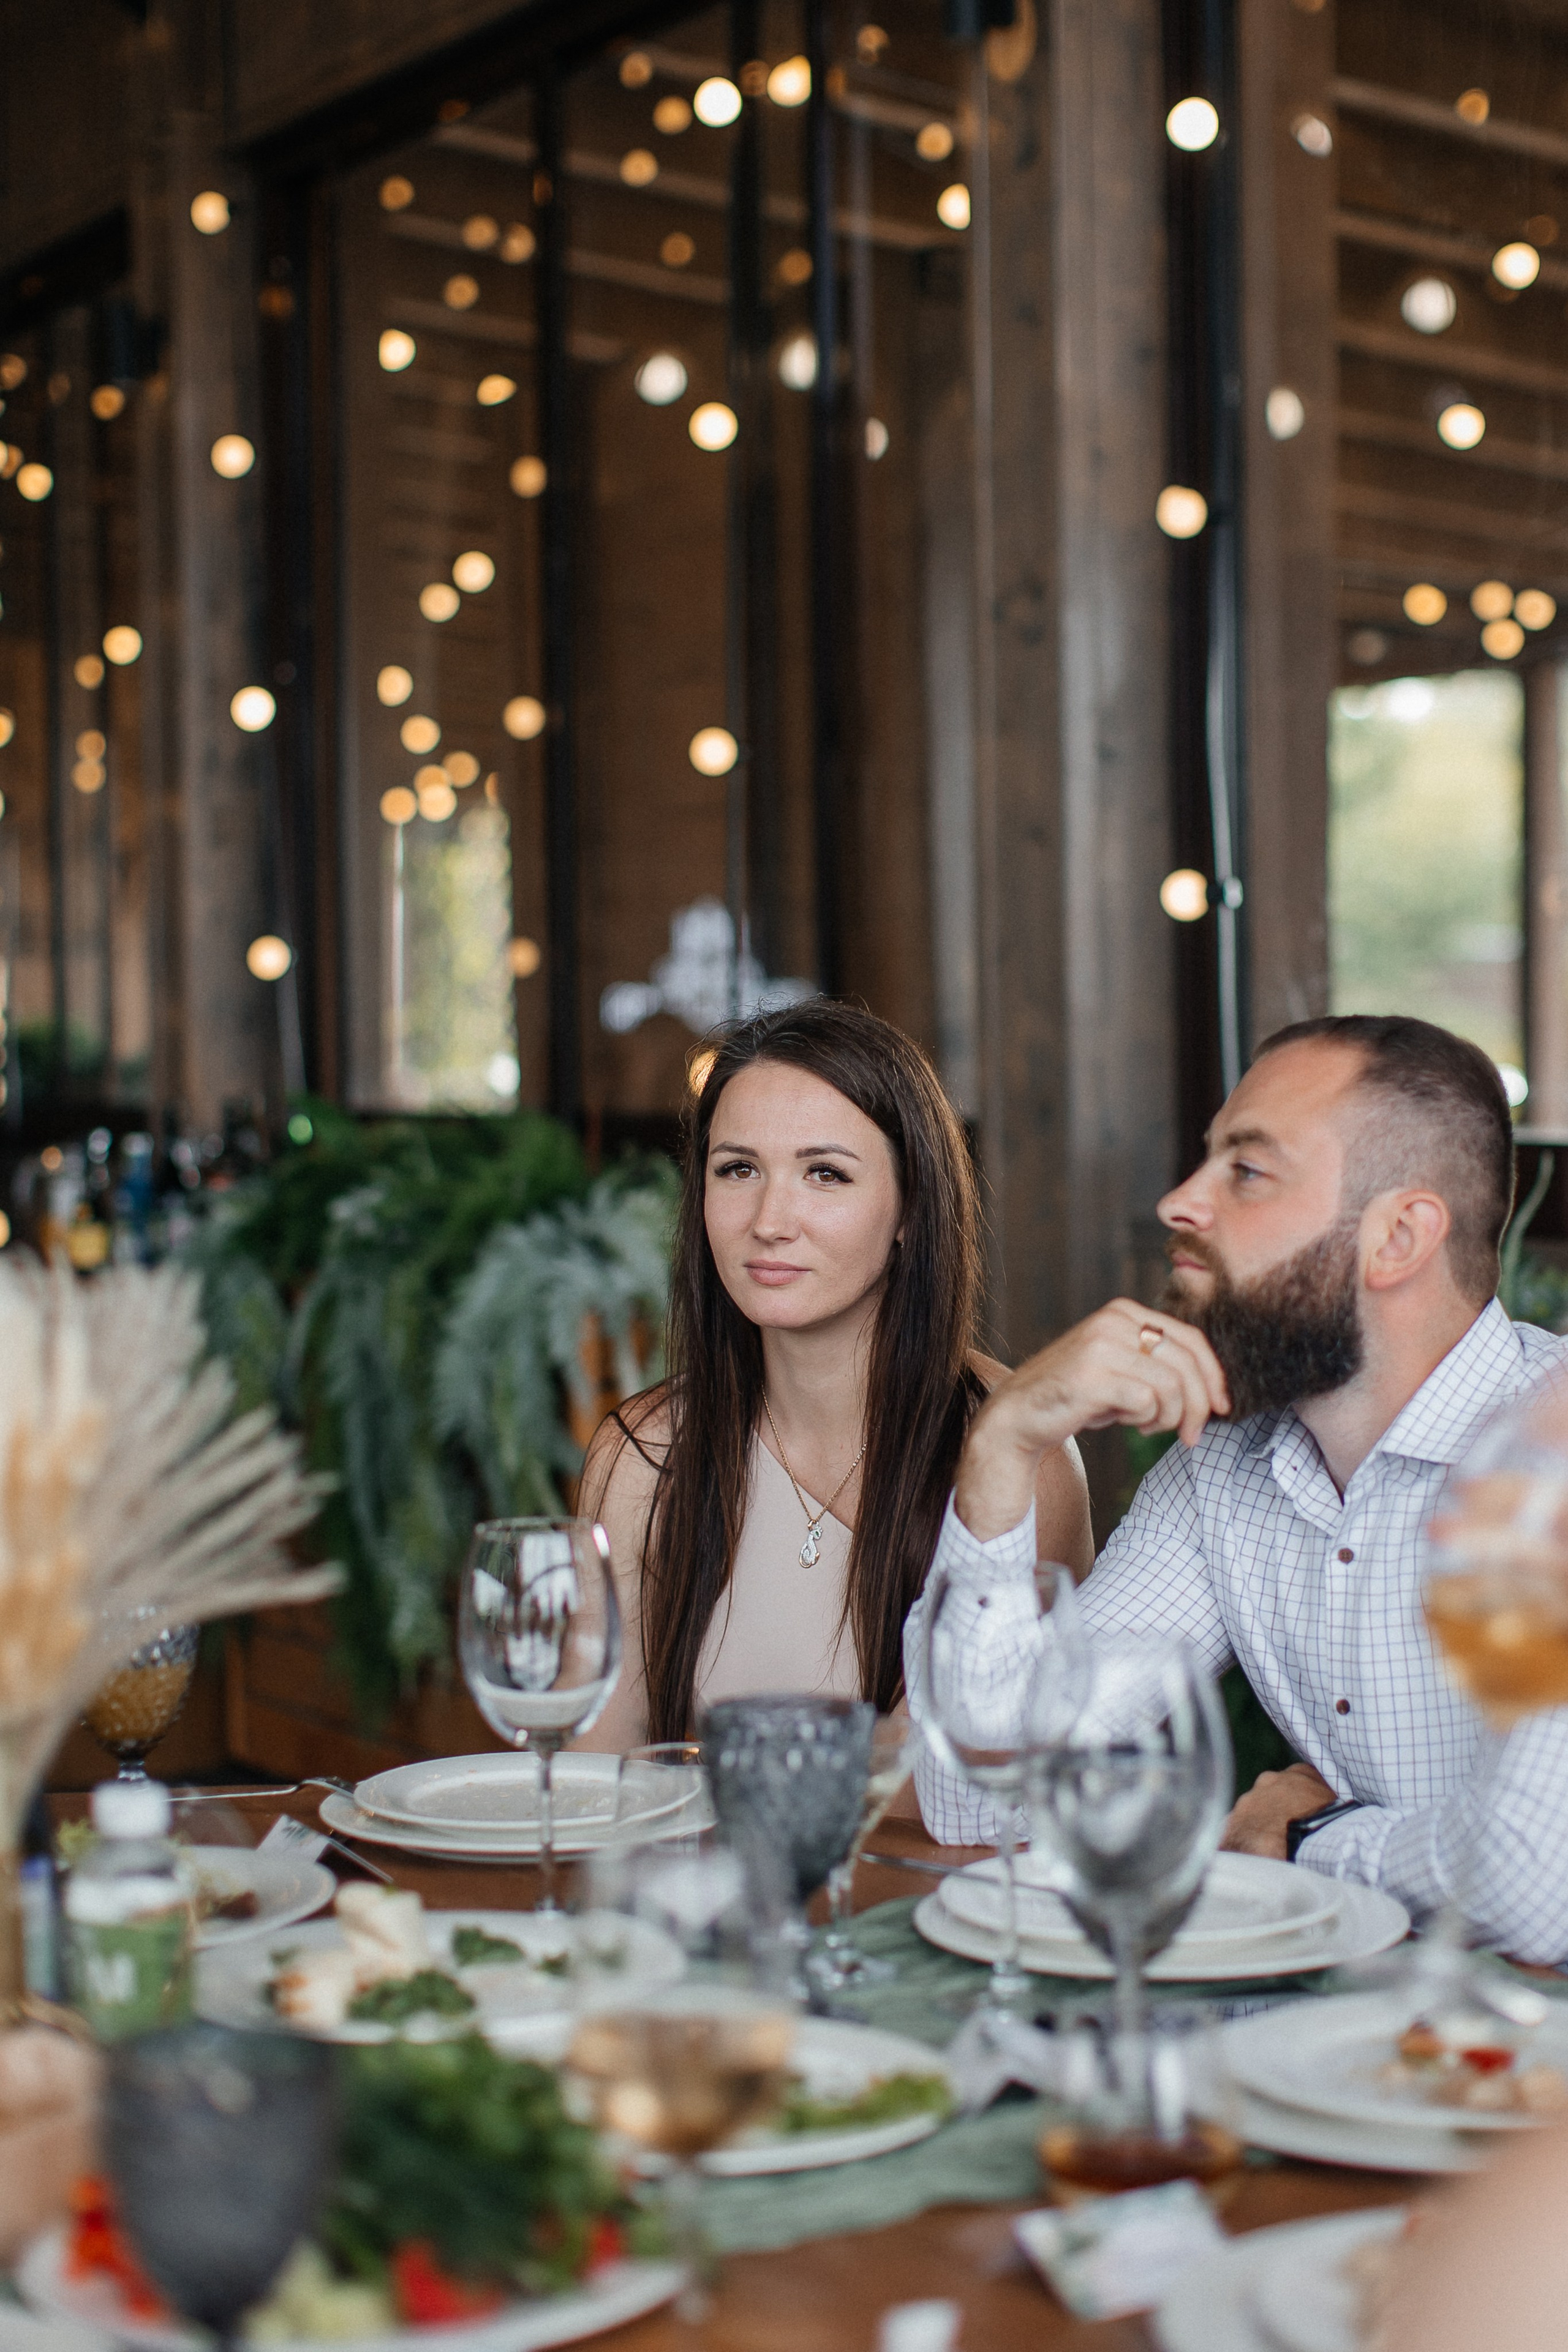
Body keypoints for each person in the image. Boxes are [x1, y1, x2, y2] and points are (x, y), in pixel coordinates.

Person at [905, 1014, 1568, 1961]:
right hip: (1394, 2056)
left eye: (1246, 1172)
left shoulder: (1552, 1452)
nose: (1179, 1200)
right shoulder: (1225, 1470)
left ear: (1399, 1239)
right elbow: (979, 1791)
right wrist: (1003, 1443)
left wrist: (1312, 1841)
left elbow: (1536, 1882)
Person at [578, 1000, 1093, 1749]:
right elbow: (597, 1790)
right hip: (706, 1869)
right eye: (737, 1169)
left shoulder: (1021, 1456)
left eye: (825, 1174)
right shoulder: (644, 1453)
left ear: (911, 1209)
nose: (769, 1220)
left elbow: (1005, 1779)